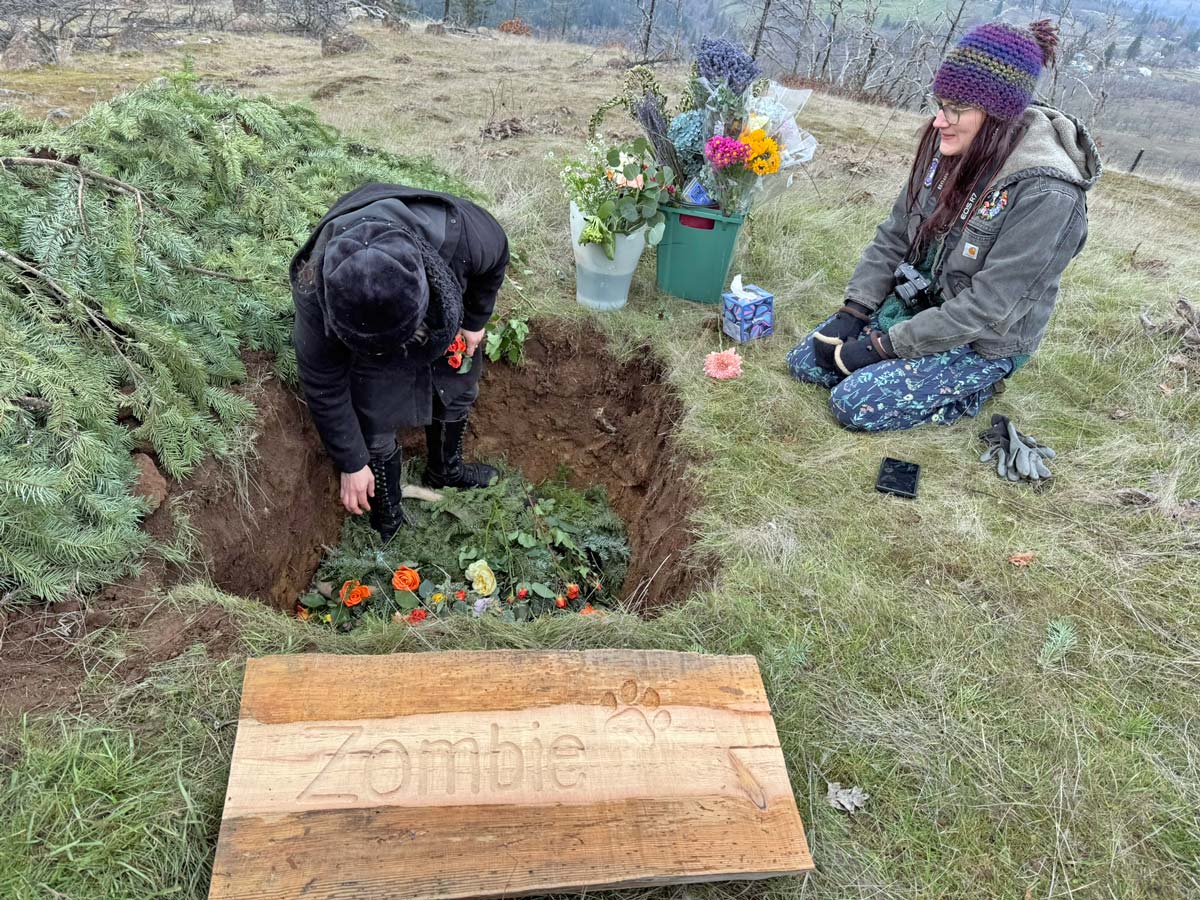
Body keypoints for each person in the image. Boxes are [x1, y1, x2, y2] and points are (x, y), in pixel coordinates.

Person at [787, 20, 1101, 431]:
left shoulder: (1048, 194)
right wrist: (855, 308)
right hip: (925, 306)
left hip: (981, 340)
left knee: (855, 404)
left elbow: (988, 308)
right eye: (940, 104)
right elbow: (895, 235)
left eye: (956, 108)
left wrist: (884, 346)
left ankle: (975, 389)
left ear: (997, 115)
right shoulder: (952, 146)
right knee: (807, 364)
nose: (940, 120)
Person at [290, 183, 509, 540]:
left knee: (456, 375)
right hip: (362, 329)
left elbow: (496, 261)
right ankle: (386, 513)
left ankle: (446, 471)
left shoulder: (466, 236)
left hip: (442, 311)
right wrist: (353, 461)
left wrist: (474, 322)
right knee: (374, 405)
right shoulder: (316, 293)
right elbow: (323, 383)